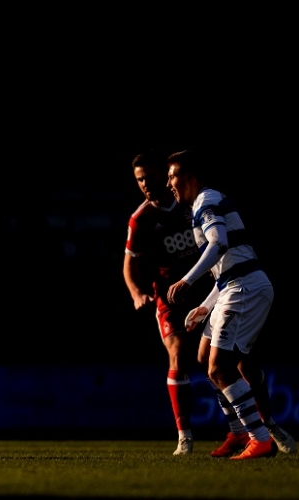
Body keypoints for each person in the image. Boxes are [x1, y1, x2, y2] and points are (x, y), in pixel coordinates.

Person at [166, 149, 296, 459]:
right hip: (232, 287)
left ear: (188, 176)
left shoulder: (206, 201)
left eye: (172, 176)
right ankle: (239, 433)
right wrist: (206, 306)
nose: (169, 184)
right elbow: (226, 266)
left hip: (246, 288)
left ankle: (260, 438)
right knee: (205, 358)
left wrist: (187, 280)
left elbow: (219, 242)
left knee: (221, 366)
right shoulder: (203, 203)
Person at [122, 151, 214, 455]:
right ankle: (184, 436)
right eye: (139, 180)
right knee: (177, 353)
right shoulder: (140, 219)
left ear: (165, 174)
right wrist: (137, 293)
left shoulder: (192, 203)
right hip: (169, 298)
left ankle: (254, 428)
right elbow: (129, 265)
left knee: (224, 359)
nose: (145, 184)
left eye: (149, 176)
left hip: (205, 290)